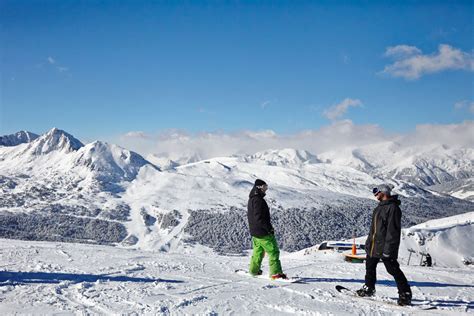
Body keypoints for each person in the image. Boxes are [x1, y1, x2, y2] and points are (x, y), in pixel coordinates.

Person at [357, 184, 412, 306]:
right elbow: (373, 230)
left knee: (393, 270)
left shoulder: (393, 208)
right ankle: (369, 288)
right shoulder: (378, 208)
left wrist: (389, 249)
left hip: (385, 247)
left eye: (376, 191)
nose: (375, 194)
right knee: (369, 268)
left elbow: (393, 231)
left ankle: (405, 294)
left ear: (383, 192)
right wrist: (368, 243)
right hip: (373, 246)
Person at [247, 179, 287, 279]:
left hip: (255, 232)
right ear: (259, 188)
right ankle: (276, 273)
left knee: (258, 252)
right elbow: (259, 218)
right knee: (273, 251)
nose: (266, 190)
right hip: (263, 232)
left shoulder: (252, 199)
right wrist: (269, 228)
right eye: (264, 187)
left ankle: (254, 270)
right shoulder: (259, 201)